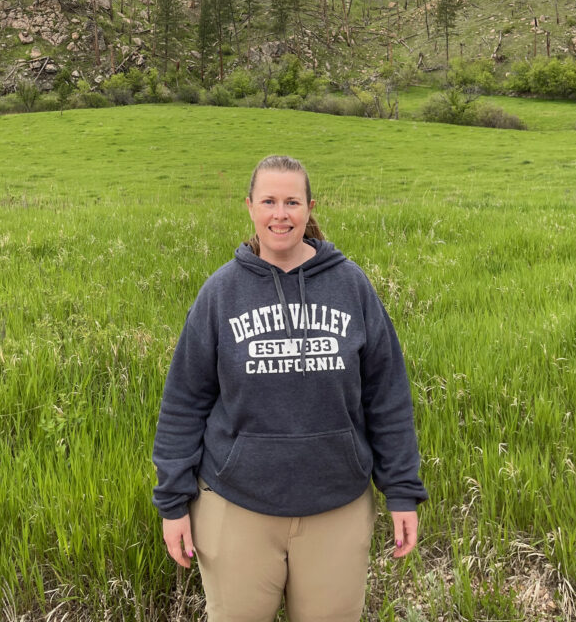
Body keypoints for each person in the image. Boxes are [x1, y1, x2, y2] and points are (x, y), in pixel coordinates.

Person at [152, 154, 427, 622]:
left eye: (292, 202)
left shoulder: (351, 285)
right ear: (250, 207)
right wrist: (173, 501)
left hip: (336, 505)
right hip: (237, 504)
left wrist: (401, 490)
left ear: (310, 207)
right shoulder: (221, 292)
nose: (281, 213)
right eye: (269, 201)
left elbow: (387, 397)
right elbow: (184, 401)